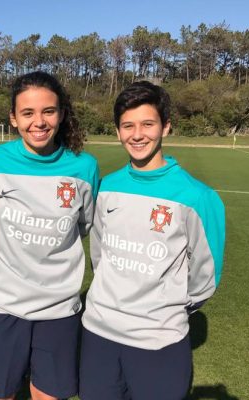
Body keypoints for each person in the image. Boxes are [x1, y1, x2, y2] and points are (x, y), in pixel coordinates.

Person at [80, 81, 226, 400]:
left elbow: (205, 278)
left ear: (166, 126)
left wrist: (164, 308)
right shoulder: (106, 188)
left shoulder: (198, 197)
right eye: (128, 126)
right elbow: (99, 256)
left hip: (159, 339)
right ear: (118, 131)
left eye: (148, 124)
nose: (137, 135)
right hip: (99, 333)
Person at [0, 71, 99, 400]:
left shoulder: (84, 167)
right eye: (28, 112)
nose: (39, 122)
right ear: (13, 118)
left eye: (48, 111)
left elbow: (83, 225)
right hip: (1, 306)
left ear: (61, 114)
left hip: (59, 309)